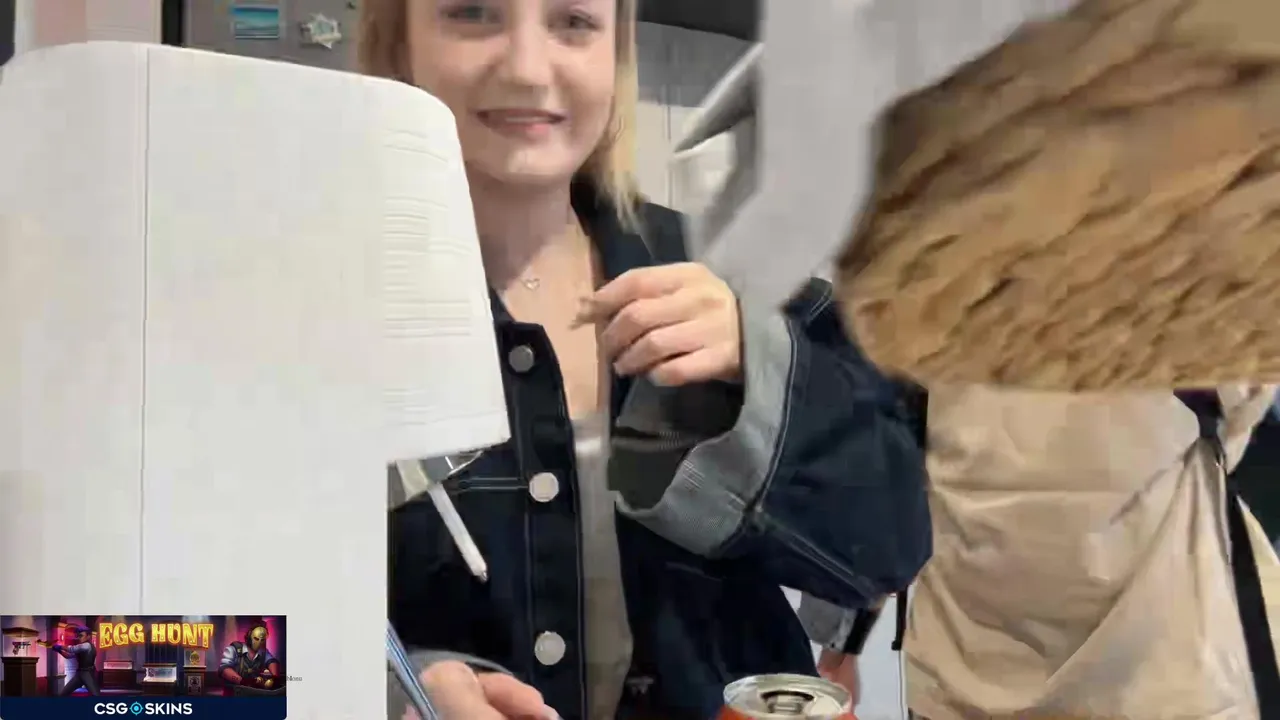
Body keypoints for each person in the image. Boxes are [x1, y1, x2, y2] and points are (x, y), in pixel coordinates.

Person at [358, 1, 932, 718]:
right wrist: (395, 690)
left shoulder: (739, 278)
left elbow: (890, 549)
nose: (528, 68)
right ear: (398, 43)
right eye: (473, 13)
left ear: (616, 53)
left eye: (573, 21)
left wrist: (758, 381)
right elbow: (217, 670)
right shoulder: (295, 310)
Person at [812, 386, 1280, 720]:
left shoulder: (926, 286)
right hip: (1161, 664)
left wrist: (841, 646)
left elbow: (877, 467)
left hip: (965, 666)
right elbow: (1241, 402)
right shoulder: (1180, 284)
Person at [218, 621, 281, 690]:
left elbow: (272, 661)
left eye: (262, 640)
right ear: (249, 636)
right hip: (233, 691)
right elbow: (224, 669)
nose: (259, 642)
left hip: (254, 691)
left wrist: (274, 677)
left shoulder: (263, 652)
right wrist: (243, 681)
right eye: (256, 638)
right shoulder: (234, 649)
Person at [49, 625, 99, 696]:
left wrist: (60, 647)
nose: (79, 638)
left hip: (88, 673)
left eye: (81, 636)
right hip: (79, 674)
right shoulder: (82, 648)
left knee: (96, 695)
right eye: (78, 636)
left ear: (88, 636)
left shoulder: (87, 645)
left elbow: (71, 649)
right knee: (64, 693)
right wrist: (58, 650)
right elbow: (68, 656)